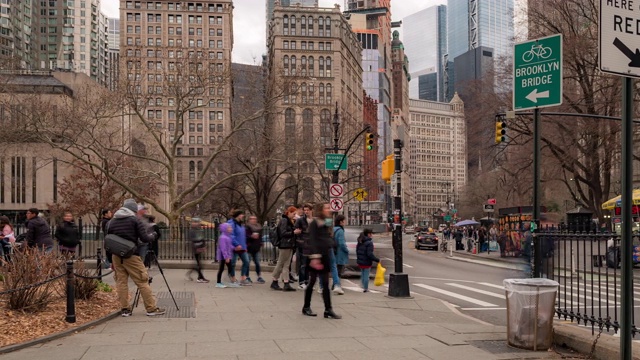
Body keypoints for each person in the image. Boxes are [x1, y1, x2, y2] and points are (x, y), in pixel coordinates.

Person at [106, 198, 165, 317]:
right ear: (133, 210)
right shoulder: (134, 220)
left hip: (116, 255)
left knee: (121, 282)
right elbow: (144, 238)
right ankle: (151, 308)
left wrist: (110, 259)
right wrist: (153, 235)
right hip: (131, 255)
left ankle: (125, 309)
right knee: (142, 280)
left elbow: (108, 240)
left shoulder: (112, 221)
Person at [302, 203, 341, 319]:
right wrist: (315, 257)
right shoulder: (314, 223)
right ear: (321, 210)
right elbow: (313, 240)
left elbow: (329, 235)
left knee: (325, 283)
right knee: (312, 281)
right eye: (326, 208)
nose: (329, 210)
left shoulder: (326, 221)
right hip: (316, 256)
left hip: (325, 255)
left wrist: (331, 243)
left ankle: (328, 309)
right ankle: (306, 307)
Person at [270, 206, 297, 291]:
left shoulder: (288, 221)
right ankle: (275, 281)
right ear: (288, 212)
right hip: (285, 244)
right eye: (293, 213)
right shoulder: (285, 220)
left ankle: (286, 282)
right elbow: (283, 233)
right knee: (281, 263)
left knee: (286, 264)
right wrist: (293, 232)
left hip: (288, 244)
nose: (294, 215)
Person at [228, 210, 251, 286]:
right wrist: (236, 244)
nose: (243, 216)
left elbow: (243, 236)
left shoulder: (241, 224)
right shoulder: (231, 223)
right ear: (238, 215)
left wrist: (244, 246)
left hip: (242, 247)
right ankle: (233, 277)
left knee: (246, 261)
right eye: (242, 214)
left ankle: (243, 278)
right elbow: (231, 235)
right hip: (234, 247)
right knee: (233, 263)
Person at [294, 204, 312, 289]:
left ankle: (307, 281)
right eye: (305, 210)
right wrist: (298, 232)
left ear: (311, 210)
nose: (306, 212)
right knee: (303, 264)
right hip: (303, 244)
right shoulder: (301, 220)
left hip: (311, 244)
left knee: (309, 264)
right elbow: (296, 230)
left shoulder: (313, 220)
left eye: (308, 210)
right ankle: (301, 282)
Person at [356, 228, 380, 293]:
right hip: (367, 261)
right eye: (371, 233)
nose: (371, 235)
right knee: (366, 275)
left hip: (360, 261)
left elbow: (357, 250)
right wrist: (376, 259)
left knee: (363, 274)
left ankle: (363, 286)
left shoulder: (360, 241)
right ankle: (365, 288)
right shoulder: (369, 243)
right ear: (368, 234)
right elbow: (369, 254)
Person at [186, 218, 209, 283]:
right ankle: (200, 278)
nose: (196, 223)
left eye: (197, 222)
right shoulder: (192, 231)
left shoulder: (199, 230)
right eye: (194, 222)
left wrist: (203, 246)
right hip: (196, 249)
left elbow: (202, 239)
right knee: (199, 264)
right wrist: (197, 247)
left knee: (199, 264)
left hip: (200, 248)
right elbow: (193, 241)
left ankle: (191, 272)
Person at [216, 222, 237, 288]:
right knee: (221, 269)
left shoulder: (227, 237)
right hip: (223, 256)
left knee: (230, 268)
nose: (231, 229)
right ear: (225, 229)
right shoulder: (223, 237)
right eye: (229, 227)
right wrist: (226, 257)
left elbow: (229, 246)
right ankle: (218, 283)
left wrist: (235, 248)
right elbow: (223, 248)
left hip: (227, 256)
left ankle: (228, 280)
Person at [245, 215, 265, 284]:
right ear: (249, 220)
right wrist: (251, 237)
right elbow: (245, 237)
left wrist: (261, 242)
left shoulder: (259, 227)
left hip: (256, 248)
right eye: (252, 219)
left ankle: (259, 276)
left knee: (257, 263)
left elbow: (260, 237)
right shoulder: (247, 227)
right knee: (247, 263)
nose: (254, 220)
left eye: (255, 219)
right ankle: (247, 277)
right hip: (249, 247)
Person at [333, 214, 349, 281]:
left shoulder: (333, 229)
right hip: (340, 253)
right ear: (341, 222)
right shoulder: (340, 231)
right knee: (339, 270)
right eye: (344, 221)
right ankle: (337, 284)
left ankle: (335, 284)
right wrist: (346, 250)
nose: (345, 222)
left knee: (335, 269)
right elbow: (341, 243)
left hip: (334, 252)